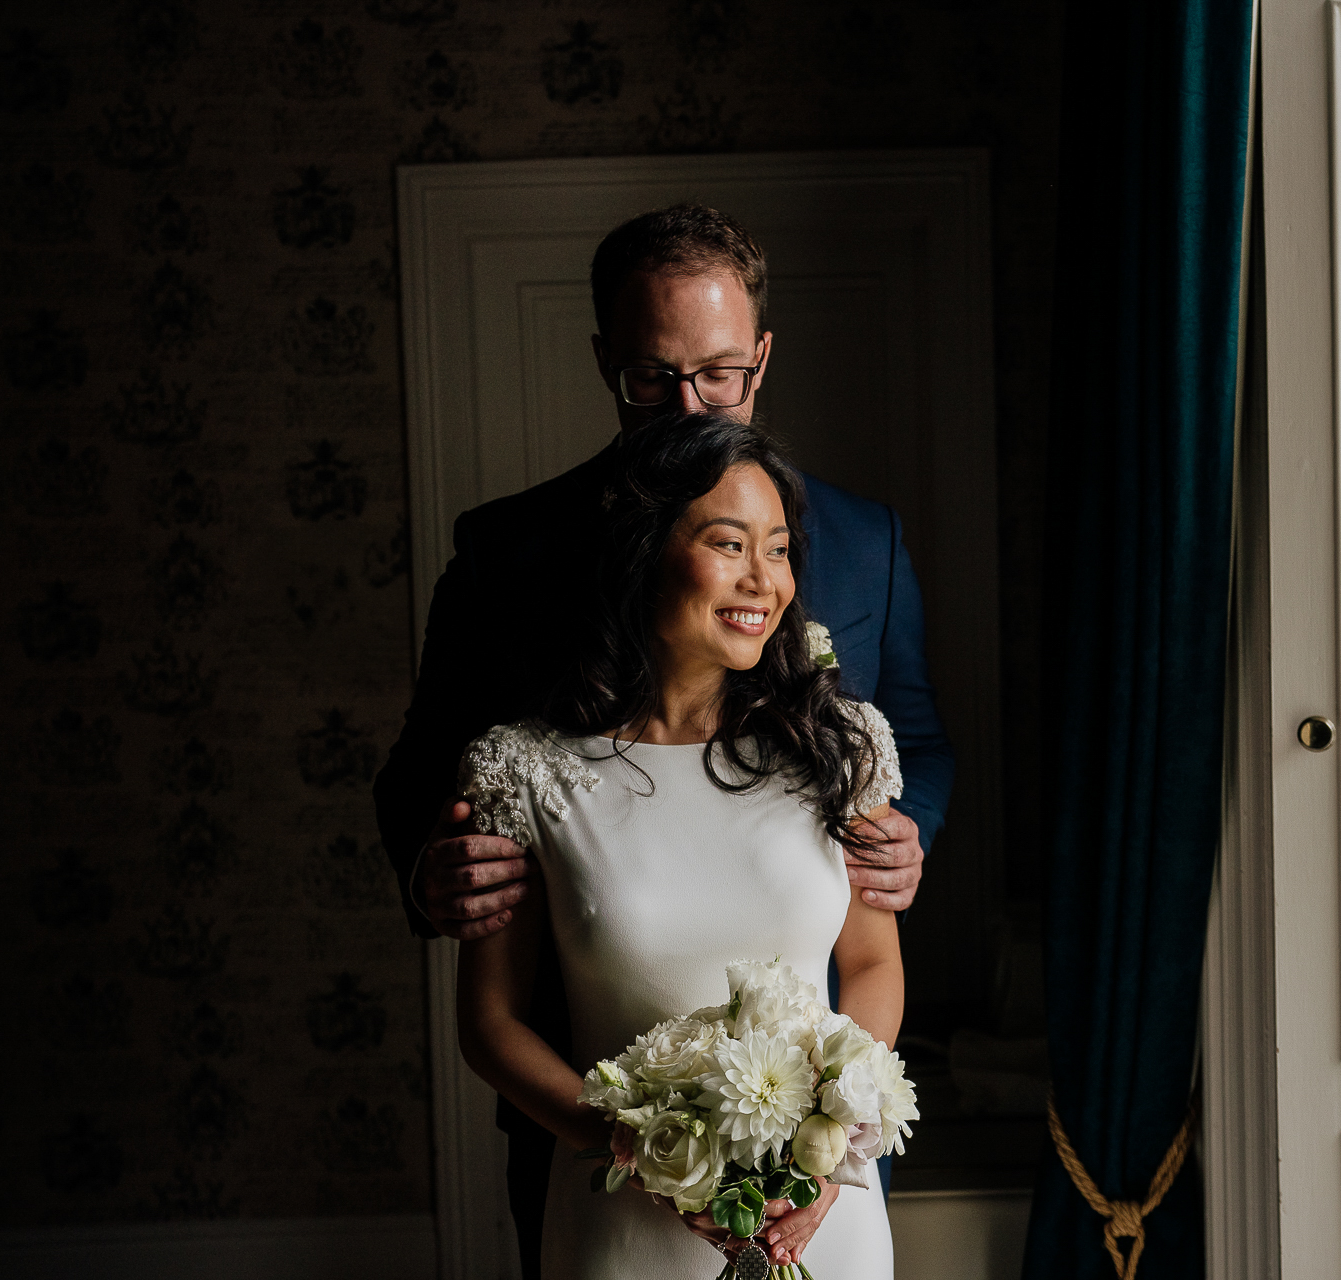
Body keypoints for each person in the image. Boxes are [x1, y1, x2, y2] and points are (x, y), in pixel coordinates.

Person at [371, 204, 954, 1273]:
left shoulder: (861, 540)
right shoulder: (511, 552)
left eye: (720, 374)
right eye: (653, 376)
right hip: (586, 1087)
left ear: (762, 358)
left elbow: (912, 736)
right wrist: (437, 864)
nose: (686, 405)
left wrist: (902, 836)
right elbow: (428, 763)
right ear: (608, 361)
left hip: (811, 1103)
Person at [456, 414, 899, 1278]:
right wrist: (628, 1144)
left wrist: (836, 1152)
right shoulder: (523, 767)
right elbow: (491, 1021)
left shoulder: (840, 747)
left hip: (819, 1218)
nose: (763, 579)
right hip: (621, 1224)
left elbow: (875, 966)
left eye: (777, 549)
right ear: (644, 550)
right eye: (728, 544)